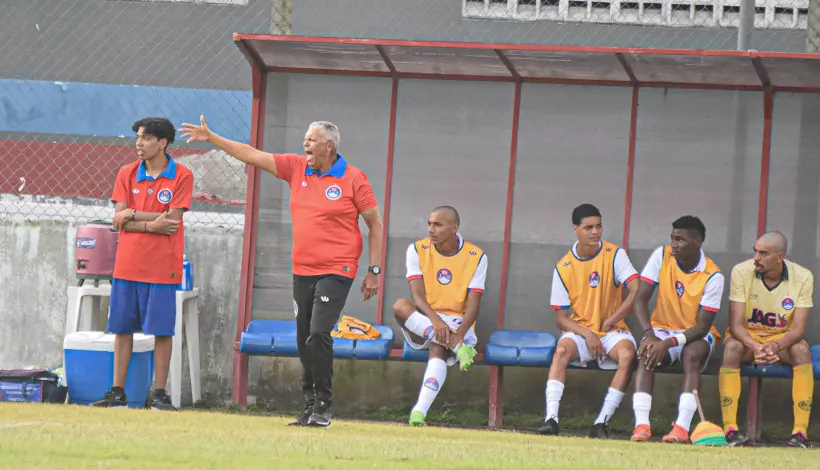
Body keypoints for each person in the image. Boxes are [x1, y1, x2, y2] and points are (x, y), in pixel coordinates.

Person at [180, 117, 383, 428]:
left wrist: (375, 271)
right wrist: (212, 137)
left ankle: (324, 406)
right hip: (302, 268)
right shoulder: (296, 167)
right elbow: (251, 154)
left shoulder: (354, 178)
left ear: (329, 146)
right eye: (305, 139)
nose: (305, 145)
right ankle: (309, 407)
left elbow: (375, 224)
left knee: (318, 332)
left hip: (338, 268)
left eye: (312, 140)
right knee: (304, 339)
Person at [93, 117, 194, 410]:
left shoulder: (182, 175)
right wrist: (151, 222)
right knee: (122, 328)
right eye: (138, 137)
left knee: (162, 330)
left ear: (162, 143)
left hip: (163, 266)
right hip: (127, 265)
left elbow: (173, 221)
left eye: (146, 138)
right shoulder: (126, 173)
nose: (139, 143)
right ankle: (117, 392)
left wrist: (132, 217)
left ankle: (159, 394)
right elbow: (118, 218)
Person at [541, 204, 639, 438]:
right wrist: (587, 334)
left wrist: (612, 320)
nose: (595, 232)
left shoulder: (615, 254)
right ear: (575, 229)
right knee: (562, 350)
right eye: (588, 227)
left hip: (613, 331)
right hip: (582, 331)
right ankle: (551, 420)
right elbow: (561, 318)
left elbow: (636, 291)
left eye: (599, 226)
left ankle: (601, 423)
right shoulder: (563, 267)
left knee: (628, 355)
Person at [631, 216, 725, 443]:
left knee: (692, 354)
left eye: (681, 240)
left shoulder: (713, 275)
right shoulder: (661, 256)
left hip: (696, 335)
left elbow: (702, 327)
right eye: (673, 238)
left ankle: (681, 428)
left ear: (697, 242)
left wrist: (669, 343)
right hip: (662, 329)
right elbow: (639, 300)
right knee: (647, 353)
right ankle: (641, 426)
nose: (674, 244)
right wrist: (649, 335)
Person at [392, 206, 486, 427]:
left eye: (438, 225)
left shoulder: (477, 256)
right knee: (400, 306)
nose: (431, 230)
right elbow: (417, 295)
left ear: (454, 228)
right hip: (425, 319)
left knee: (437, 348)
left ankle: (418, 413)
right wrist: (435, 321)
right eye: (429, 224)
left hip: (457, 323)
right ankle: (459, 350)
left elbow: (473, 307)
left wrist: (459, 334)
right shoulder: (416, 249)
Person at [718, 231, 814, 448]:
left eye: (763, 253)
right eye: (755, 251)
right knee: (731, 348)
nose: (756, 258)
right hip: (749, 338)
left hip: (781, 341)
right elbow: (735, 325)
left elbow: (798, 328)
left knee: (802, 351)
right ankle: (730, 429)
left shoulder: (803, 276)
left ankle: (800, 432)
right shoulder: (741, 271)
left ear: (780, 257)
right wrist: (756, 346)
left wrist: (774, 345)